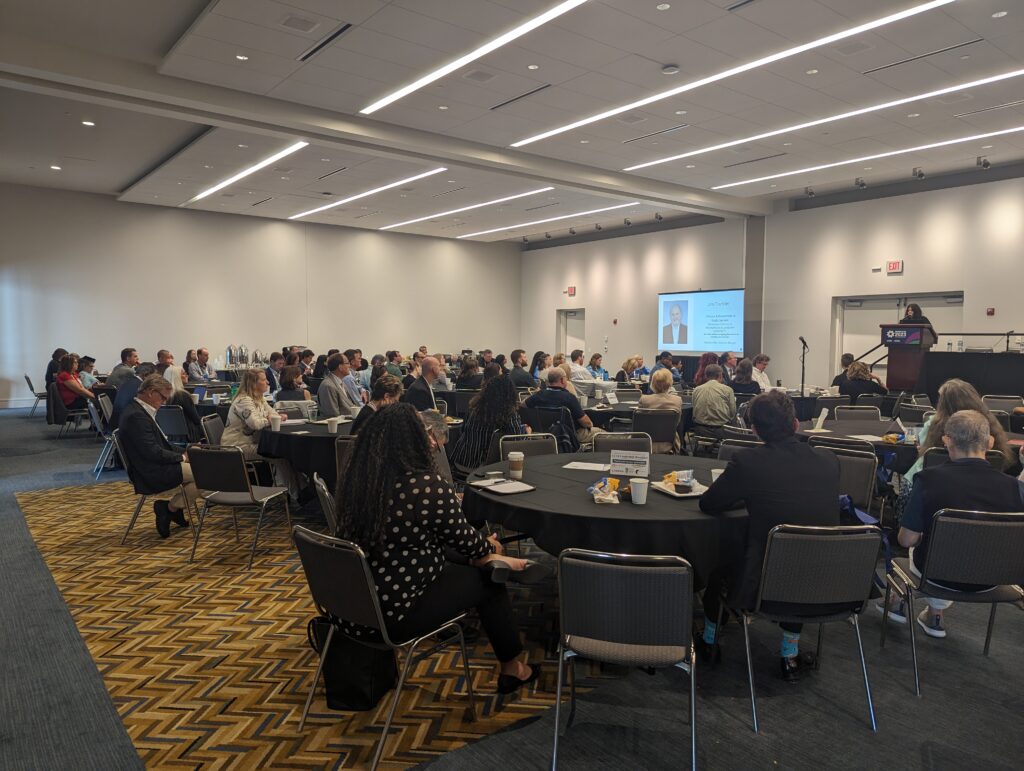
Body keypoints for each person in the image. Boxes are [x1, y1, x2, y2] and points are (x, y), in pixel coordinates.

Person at [334, 403, 539, 693]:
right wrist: (489, 547)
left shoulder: (360, 482)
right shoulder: (424, 487)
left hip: (352, 605)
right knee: (490, 578)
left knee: (467, 555)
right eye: (426, 434)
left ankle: (490, 562)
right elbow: (469, 542)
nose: (432, 441)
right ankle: (513, 668)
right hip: (395, 612)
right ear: (414, 441)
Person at [698, 390, 841, 681]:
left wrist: (745, 496)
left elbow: (709, 503)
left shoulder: (748, 462)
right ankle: (789, 656)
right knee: (800, 553)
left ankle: (710, 641)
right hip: (826, 580)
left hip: (761, 583)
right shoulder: (829, 460)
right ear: (796, 424)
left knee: (719, 561)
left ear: (754, 430)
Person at [884, 410, 1024, 639]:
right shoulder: (1014, 488)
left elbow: (905, 539)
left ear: (946, 440)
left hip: (938, 577)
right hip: (991, 580)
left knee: (920, 546)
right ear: (989, 442)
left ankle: (905, 602)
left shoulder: (929, 479)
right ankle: (933, 614)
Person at [117, 375, 195, 537]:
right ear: (151, 392)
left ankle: (172, 508)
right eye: (163, 398)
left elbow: (161, 445)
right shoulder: (136, 416)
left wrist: (185, 452)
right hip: (151, 471)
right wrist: (181, 458)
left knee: (204, 471)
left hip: (153, 464)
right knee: (208, 476)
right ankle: (170, 508)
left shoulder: (138, 410)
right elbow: (152, 452)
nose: (164, 403)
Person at [903, 378, 1015, 490]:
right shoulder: (990, 424)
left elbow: (922, 448)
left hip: (934, 486)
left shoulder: (934, 424)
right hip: (984, 487)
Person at [450, 375, 529, 470]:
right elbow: (515, 442)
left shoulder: (474, 409)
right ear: (510, 394)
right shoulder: (509, 414)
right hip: (484, 466)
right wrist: (526, 433)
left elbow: (463, 430)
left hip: (461, 460)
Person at [525, 369, 604, 443]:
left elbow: (523, 405)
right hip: (571, 435)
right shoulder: (569, 398)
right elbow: (585, 422)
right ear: (562, 380)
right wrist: (591, 424)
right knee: (604, 434)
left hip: (546, 434)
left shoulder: (539, 395)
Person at [221, 369, 287, 459]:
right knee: (279, 453)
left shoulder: (259, 398)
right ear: (253, 384)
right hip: (237, 447)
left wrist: (273, 417)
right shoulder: (244, 400)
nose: (268, 382)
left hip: (252, 443)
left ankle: (286, 474)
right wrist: (269, 419)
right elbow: (255, 424)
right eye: (264, 380)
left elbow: (273, 414)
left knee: (282, 450)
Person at [638, 368, 682, 453]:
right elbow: (677, 423)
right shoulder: (677, 400)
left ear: (653, 383)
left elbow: (640, 423)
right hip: (669, 442)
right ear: (670, 383)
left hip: (647, 441)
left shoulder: (644, 399)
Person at [691, 364, 736, 439]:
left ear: (706, 376)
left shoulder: (696, 390)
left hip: (700, 430)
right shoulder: (728, 390)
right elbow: (732, 412)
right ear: (720, 375)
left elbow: (694, 409)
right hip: (722, 431)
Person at [163, 364, 204, 442]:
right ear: (177, 377)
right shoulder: (182, 395)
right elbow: (196, 420)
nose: (187, 375)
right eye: (183, 373)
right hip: (188, 435)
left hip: (169, 436)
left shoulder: (163, 396)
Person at [111, 362, 157, 428]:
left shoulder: (128, 382)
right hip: (126, 428)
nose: (155, 380)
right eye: (154, 377)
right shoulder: (141, 388)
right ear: (146, 375)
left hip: (116, 424)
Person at [317, 353, 362, 418]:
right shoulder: (328, 386)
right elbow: (332, 415)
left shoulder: (341, 382)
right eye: (347, 363)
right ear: (340, 367)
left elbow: (351, 405)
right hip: (343, 425)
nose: (349, 366)